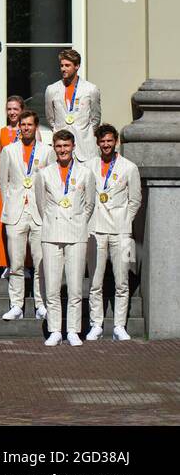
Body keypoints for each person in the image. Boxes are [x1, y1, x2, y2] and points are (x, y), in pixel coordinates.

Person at [87, 124, 142, 341]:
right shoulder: (89, 166)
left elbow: (135, 200)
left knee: (122, 282)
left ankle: (119, 325)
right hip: (96, 229)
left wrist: (125, 222)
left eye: (109, 141)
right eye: (102, 141)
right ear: (98, 143)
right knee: (95, 281)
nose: (106, 145)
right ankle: (96, 324)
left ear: (116, 141)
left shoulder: (129, 167)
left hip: (120, 231)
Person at [0, 109, 54, 322]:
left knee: (40, 262)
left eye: (30, 124)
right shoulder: (9, 151)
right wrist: (10, 206)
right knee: (16, 262)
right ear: (19, 127)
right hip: (16, 213)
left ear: (36, 127)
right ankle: (16, 305)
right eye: (23, 125)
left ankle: (41, 304)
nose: (26, 128)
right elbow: (4, 183)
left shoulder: (47, 151)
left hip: (39, 213)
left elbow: (50, 183)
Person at [39, 129, 94, 346]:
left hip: (77, 233)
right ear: (54, 148)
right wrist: (53, 219)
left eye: (66, 146)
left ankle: (73, 330)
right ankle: (55, 330)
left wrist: (78, 220)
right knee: (52, 286)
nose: (62, 150)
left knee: (75, 286)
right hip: (52, 233)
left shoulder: (85, 173)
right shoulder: (44, 174)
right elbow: (41, 203)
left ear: (73, 147)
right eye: (59, 146)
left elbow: (89, 204)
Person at [44, 48, 102, 163]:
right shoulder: (52, 89)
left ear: (77, 66)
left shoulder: (90, 89)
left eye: (67, 65)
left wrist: (84, 132)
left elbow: (95, 118)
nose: (63, 69)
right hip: (61, 148)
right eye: (61, 66)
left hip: (85, 148)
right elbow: (50, 119)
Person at [0, 95, 24, 278]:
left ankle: (24, 264)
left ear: (21, 110)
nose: (12, 112)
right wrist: (3, 179)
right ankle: (5, 263)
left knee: (23, 222)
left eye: (15, 109)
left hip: (24, 186)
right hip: (4, 186)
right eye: (9, 109)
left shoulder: (29, 130)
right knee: (3, 223)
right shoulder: (0, 133)